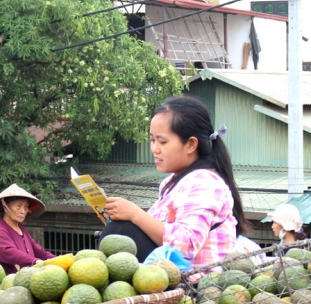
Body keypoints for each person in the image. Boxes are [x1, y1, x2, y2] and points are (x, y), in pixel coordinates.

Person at [101, 95, 250, 268]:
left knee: (122, 232)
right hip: (167, 276)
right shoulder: (171, 183)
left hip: (197, 282)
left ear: (191, 144)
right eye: (152, 140)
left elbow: (185, 245)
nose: (154, 149)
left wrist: (135, 214)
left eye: (162, 141)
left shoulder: (204, 182)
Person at [0, 184, 55, 274]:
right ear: (5, 207)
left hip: (26, 279)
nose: (23, 211)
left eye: (26, 207)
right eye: (18, 206)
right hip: (8, 284)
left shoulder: (21, 228)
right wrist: (35, 261)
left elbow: (38, 251)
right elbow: (10, 252)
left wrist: (56, 259)